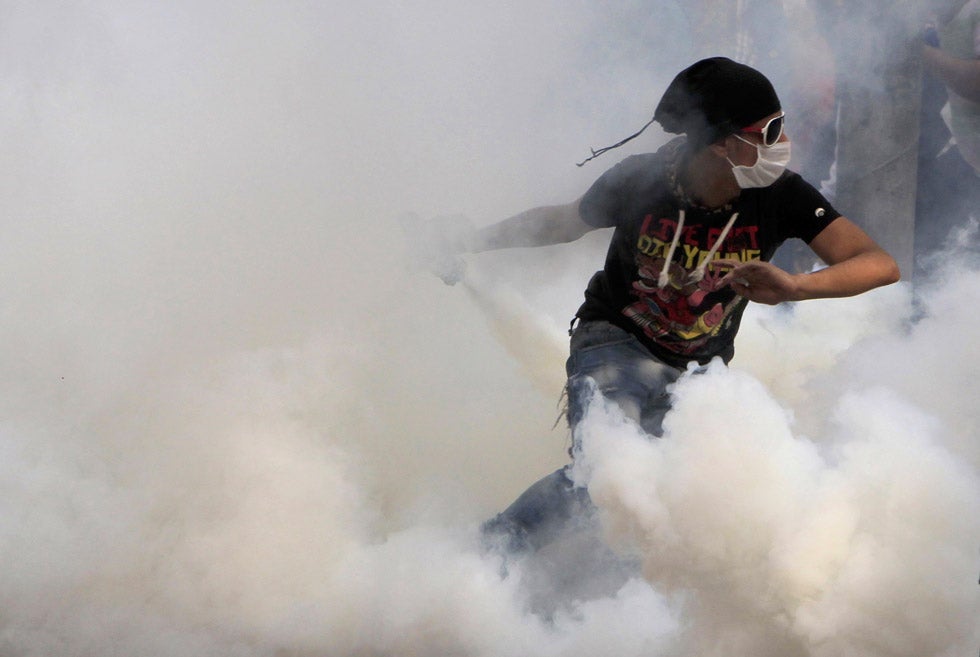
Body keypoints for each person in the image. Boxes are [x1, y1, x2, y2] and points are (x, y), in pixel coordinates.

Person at [441, 57, 901, 554]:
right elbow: (563, 222)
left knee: (675, 499)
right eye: (768, 130)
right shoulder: (643, 180)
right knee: (611, 475)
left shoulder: (782, 195)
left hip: (702, 369)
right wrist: (469, 239)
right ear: (724, 143)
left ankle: (603, 601)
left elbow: (877, 263)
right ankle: (485, 555)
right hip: (614, 338)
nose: (780, 142)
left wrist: (793, 286)